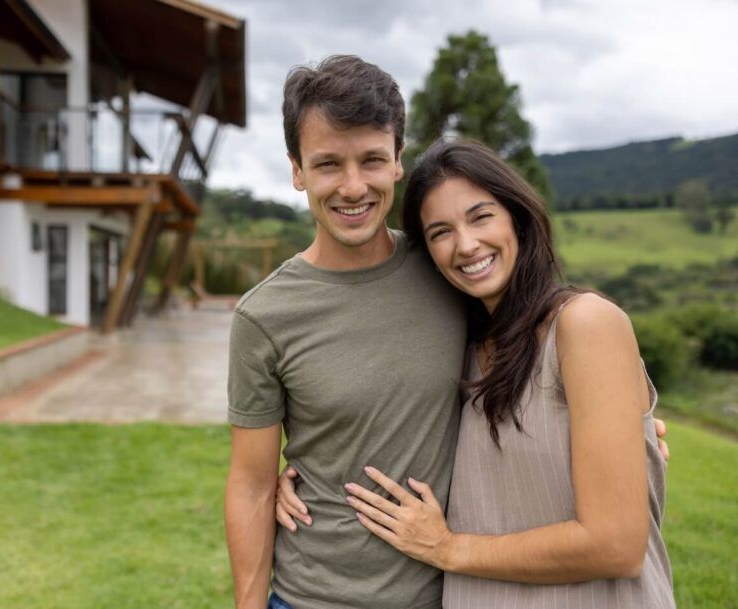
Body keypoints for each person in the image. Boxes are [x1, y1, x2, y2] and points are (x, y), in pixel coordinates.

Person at [276, 139, 676, 608]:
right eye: (440, 232)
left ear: (517, 218)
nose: (466, 245)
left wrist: (447, 548)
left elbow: (616, 546)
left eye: (481, 216)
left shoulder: (583, 323)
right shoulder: (460, 347)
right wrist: (305, 476)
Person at [224, 55, 467, 609]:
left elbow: (531, 363)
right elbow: (252, 485)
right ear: (297, 170)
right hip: (309, 597)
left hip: (446, 594)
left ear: (399, 161)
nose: (353, 187)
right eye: (329, 163)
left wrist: (624, 429)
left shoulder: (447, 269)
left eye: (372, 160)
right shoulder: (264, 316)